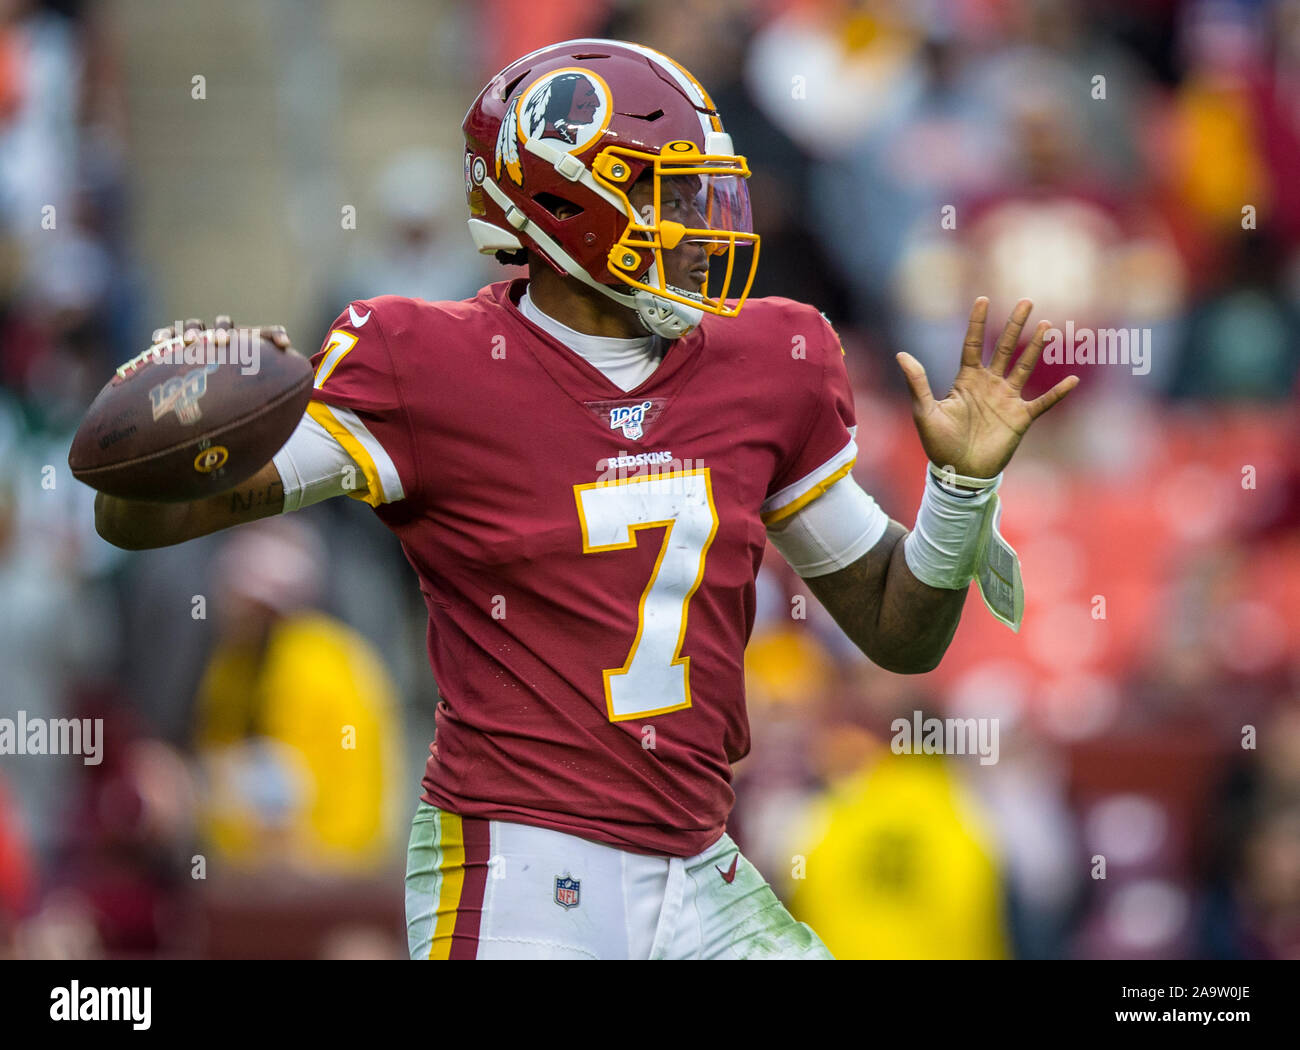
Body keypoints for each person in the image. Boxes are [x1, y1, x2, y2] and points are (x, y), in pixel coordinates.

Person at [92, 39, 1076, 960]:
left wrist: (959, 492)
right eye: (667, 197)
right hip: (516, 858)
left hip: (698, 860)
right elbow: (147, 518)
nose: (704, 230)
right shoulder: (423, 362)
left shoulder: (766, 361)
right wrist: (171, 434)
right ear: (561, 207)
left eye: (706, 193)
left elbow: (900, 634)